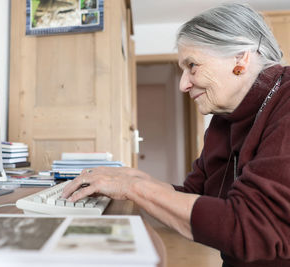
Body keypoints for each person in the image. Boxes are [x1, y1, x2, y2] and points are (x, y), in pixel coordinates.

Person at [62, 3, 290, 267]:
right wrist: (132, 179)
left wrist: (135, 188)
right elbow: (194, 195)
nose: (184, 84)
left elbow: (251, 226)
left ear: (240, 58)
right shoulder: (223, 119)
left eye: (192, 65)